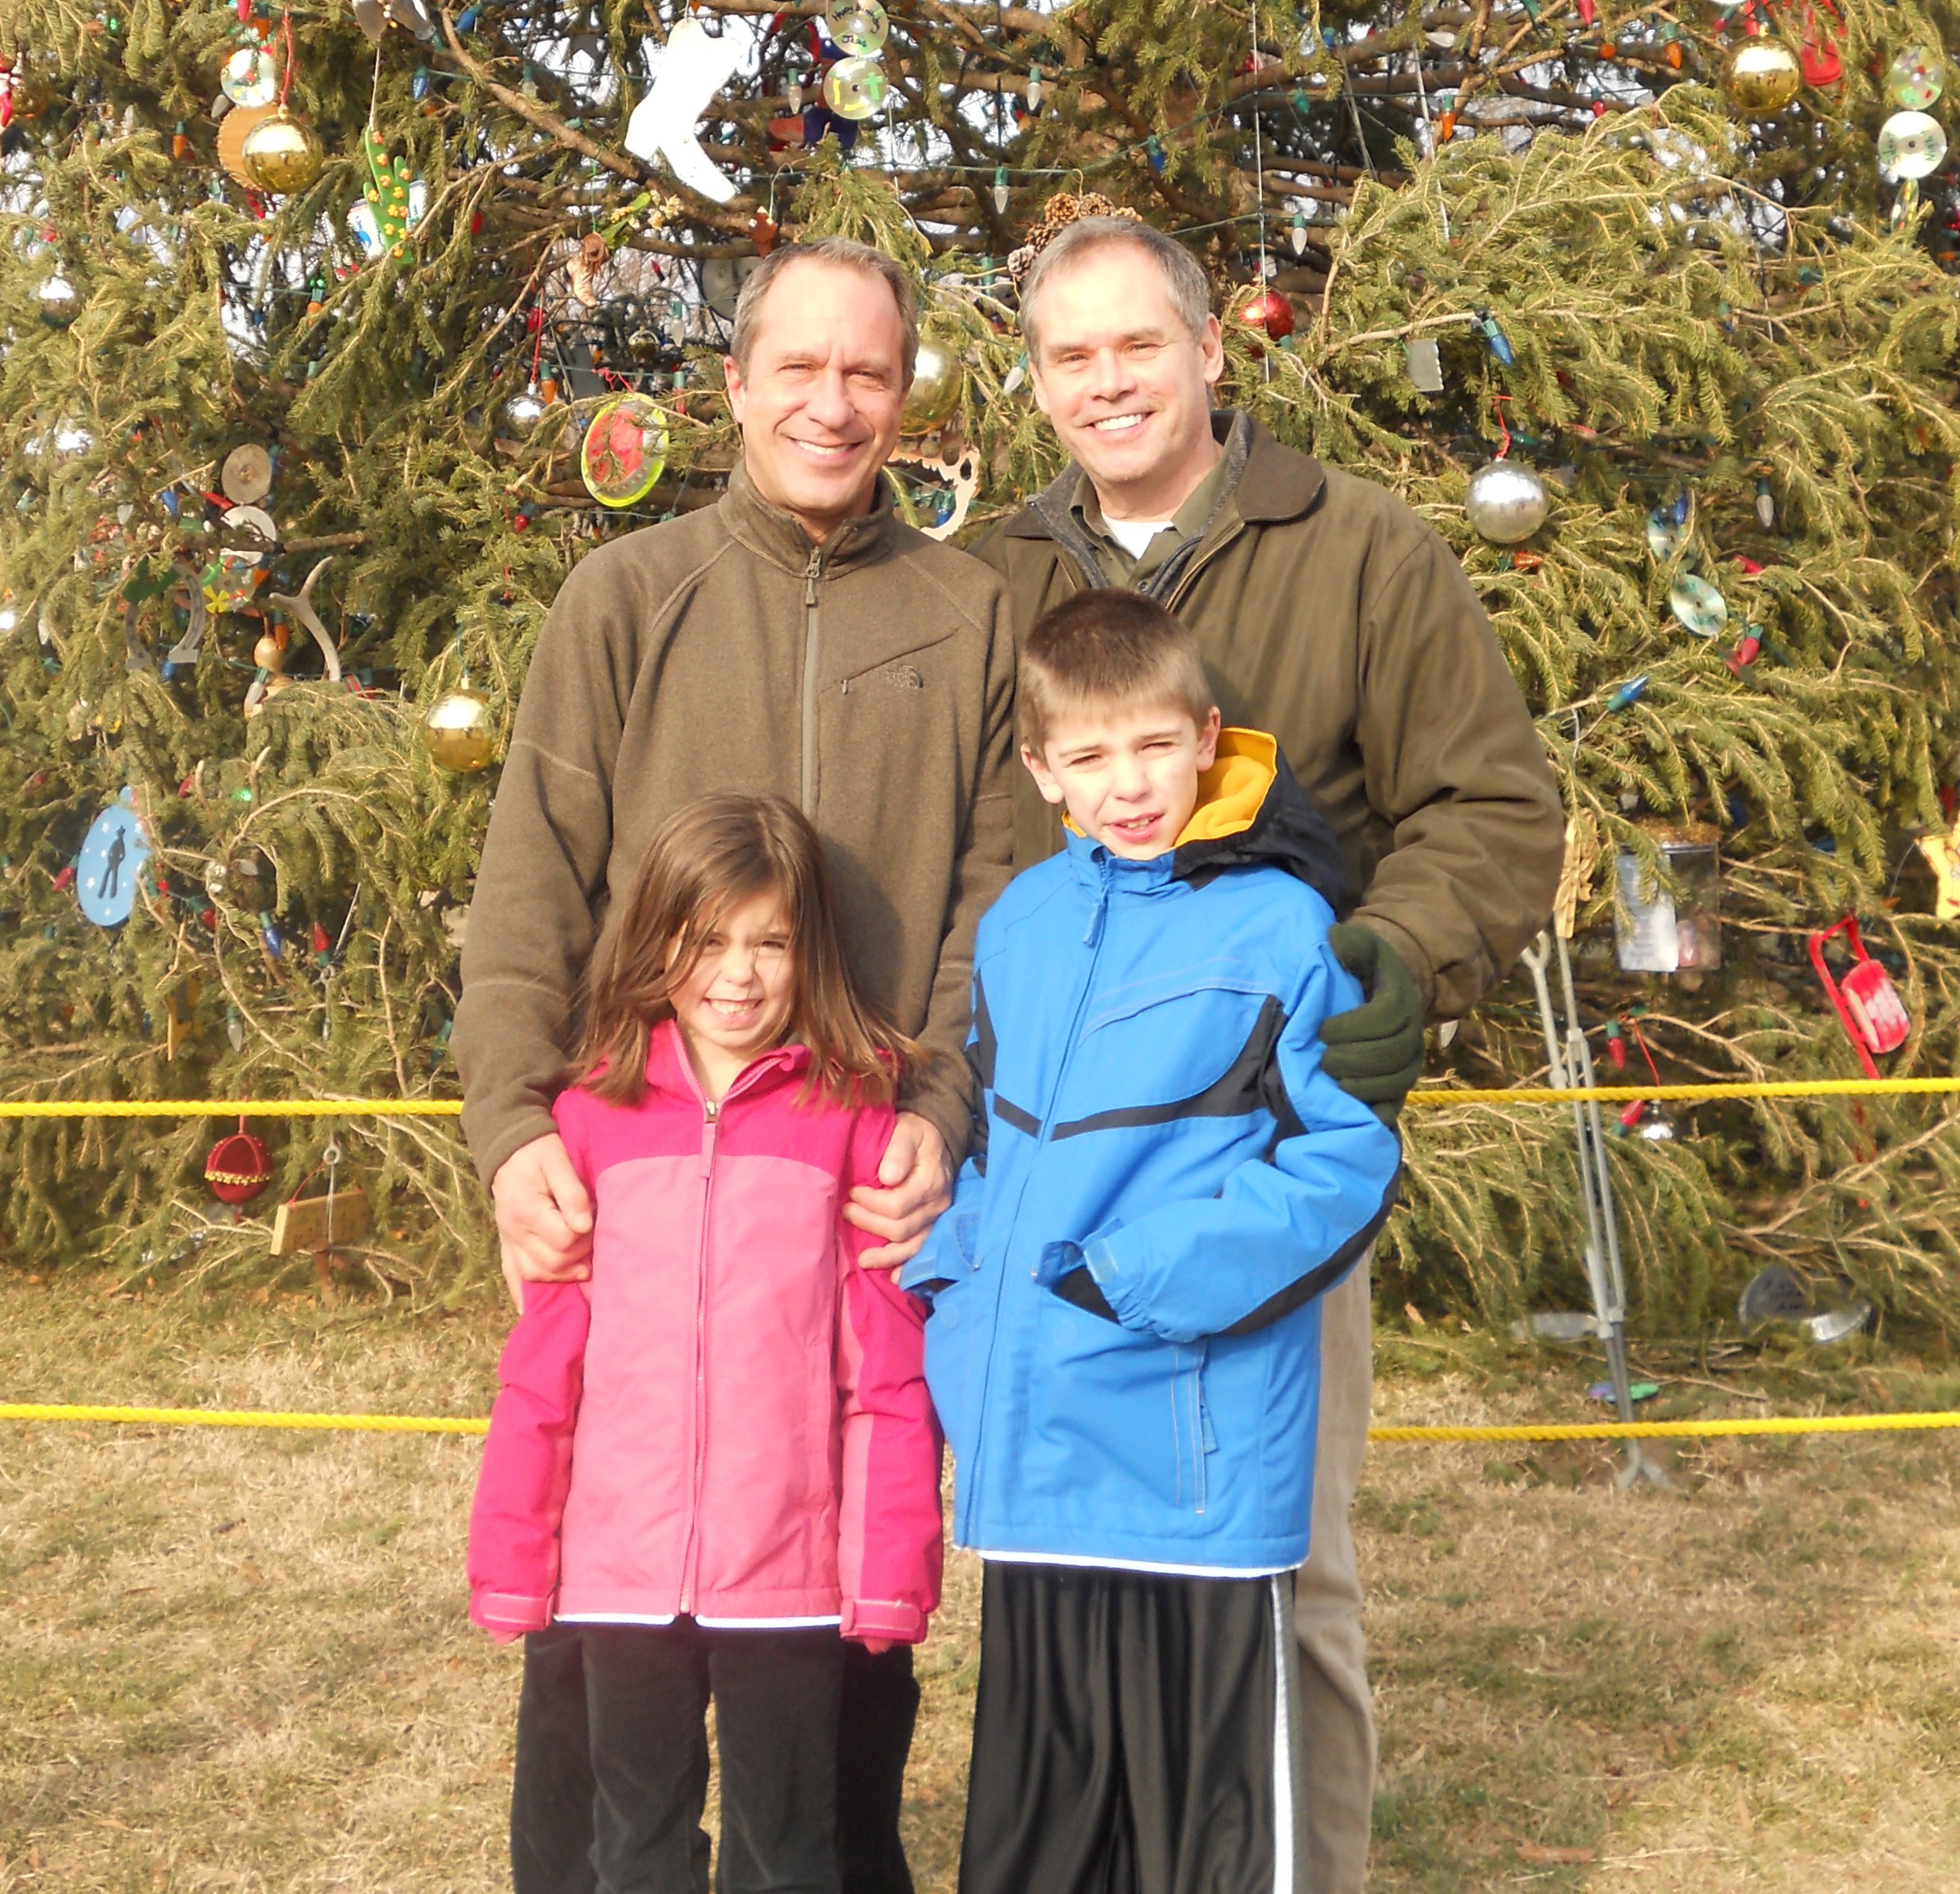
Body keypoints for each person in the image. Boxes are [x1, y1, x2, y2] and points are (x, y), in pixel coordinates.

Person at [979, 211, 1566, 1894]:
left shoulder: (1360, 547)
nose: (1109, 381)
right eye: (1071, 354)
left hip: (1262, 1159)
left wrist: (1397, 954)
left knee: (1281, 1558)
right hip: (1069, 1161)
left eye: (1136, 343)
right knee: (1073, 1563)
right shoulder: (1000, 574)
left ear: (1209, 350)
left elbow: (1493, 801)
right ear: (1036, 382)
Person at [455, 237, 1018, 1894]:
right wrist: (510, 1134)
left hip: (841, 1205)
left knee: (839, 1640)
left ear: (903, 394)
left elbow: (1002, 902)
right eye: (800, 368)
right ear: (736, 383)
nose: (831, 403)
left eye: (866, 372)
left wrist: (941, 1103)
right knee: (596, 1661)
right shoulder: (625, 600)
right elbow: (529, 892)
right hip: (631, 1201)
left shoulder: (971, 612)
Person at [914, 590, 1402, 1894]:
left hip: (1190, 1452)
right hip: (1031, 1455)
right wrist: (956, 1284)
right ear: (1042, 770)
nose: (1126, 786)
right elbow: (989, 1140)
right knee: (1045, 1832)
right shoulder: (1019, 921)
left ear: (1206, 737)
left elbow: (1341, 1164)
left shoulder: (1285, 924)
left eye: (1151, 748)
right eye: (1088, 757)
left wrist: (1127, 1282)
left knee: (1204, 1841)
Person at [469, 792, 944, 1894]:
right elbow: (544, 1374)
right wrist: (514, 1556)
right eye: (707, 939)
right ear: (656, 943)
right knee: (634, 1848)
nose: (739, 972)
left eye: (770, 941)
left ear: (807, 951)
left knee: (790, 1851)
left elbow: (885, 1379)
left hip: (791, 1580)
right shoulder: (588, 1120)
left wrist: (886, 1569)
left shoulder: (853, 1121)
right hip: (619, 1579)